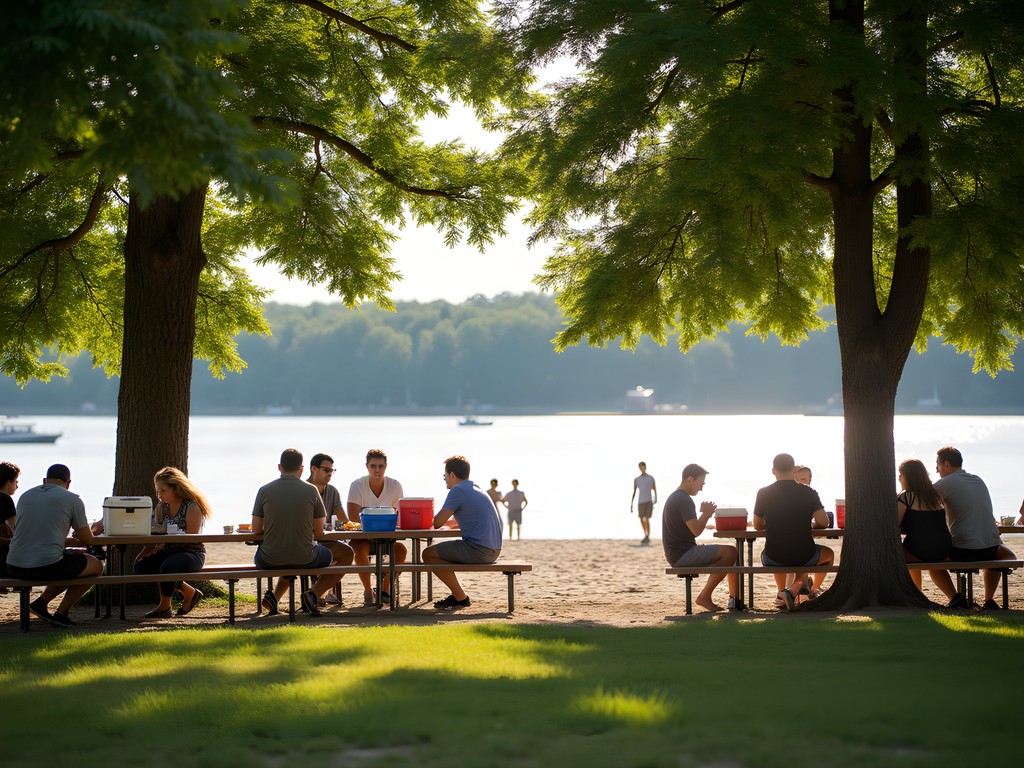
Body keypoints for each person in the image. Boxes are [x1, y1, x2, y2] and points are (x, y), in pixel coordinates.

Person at [252, 448, 354, 617]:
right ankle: (313, 595)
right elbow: (319, 532)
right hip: (305, 556)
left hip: (268, 558)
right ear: (302, 468)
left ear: (279, 467)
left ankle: (275, 598)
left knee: (288, 551)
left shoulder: (264, 490)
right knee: (346, 553)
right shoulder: (311, 490)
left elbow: (256, 530)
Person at [5, 464, 104, 627]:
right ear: (68, 483)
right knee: (96, 566)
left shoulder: (25, 496)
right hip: (45, 566)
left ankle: (41, 604)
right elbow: (87, 539)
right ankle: (60, 613)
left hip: (14, 565)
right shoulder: (72, 499)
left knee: (68, 561)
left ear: (45, 480)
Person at [933, 446, 1017, 610]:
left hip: (964, 551)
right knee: (1002, 554)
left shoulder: (944, 484)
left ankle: (955, 598)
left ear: (946, 464)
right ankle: (989, 599)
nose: (936, 469)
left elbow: (921, 502)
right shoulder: (978, 480)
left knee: (931, 560)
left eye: (937, 464)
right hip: (990, 550)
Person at [752, 453, 834, 610]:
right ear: (794, 470)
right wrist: (809, 524)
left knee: (779, 553)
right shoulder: (809, 492)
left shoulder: (763, 493)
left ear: (773, 471)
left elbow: (757, 525)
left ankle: (782, 593)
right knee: (828, 555)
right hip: (805, 555)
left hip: (773, 556)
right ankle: (803, 590)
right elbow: (824, 522)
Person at [422, 455, 502, 610]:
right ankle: (458, 596)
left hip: (479, 550)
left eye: (445, 475)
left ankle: (460, 597)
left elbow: (436, 523)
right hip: (494, 550)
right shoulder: (476, 488)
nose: (444, 479)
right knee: (440, 552)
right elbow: (461, 519)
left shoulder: (457, 490)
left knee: (428, 554)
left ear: (452, 475)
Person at [132, 467, 212, 618]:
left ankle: (164, 607)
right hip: (168, 551)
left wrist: (165, 543)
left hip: (191, 552)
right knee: (141, 567)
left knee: (168, 567)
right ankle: (190, 592)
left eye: (163, 490)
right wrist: (147, 551)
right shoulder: (161, 508)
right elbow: (157, 533)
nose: (159, 495)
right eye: (157, 491)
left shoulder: (192, 507)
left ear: (176, 489)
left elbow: (192, 538)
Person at [662, 463, 740, 612]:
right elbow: (696, 531)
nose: (701, 488)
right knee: (730, 552)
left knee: (730, 554)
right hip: (682, 554)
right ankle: (705, 596)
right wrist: (706, 514)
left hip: (678, 553)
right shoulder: (683, 499)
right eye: (701, 483)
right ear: (690, 479)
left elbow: (690, 527)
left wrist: (703, 514)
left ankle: (733, 598)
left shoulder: (676, 497)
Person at [346, 448, 407, 606]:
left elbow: (399, 517)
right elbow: (353, 518)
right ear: (367, 466)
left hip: (387, 537)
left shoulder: (395, 485)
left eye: (380, 466)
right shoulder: (357, 485)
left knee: (401, 550)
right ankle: (368, 590)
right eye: (373, 466)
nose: (377, 470)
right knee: (359, 550)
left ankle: (383, 589)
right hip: (363, 537)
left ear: (386, 466)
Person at [896, 458, 954, 596]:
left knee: (897, 552)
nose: (899, 478)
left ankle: (917, 594)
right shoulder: (936, 496)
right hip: (943, 550)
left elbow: (894, 525)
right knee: (924, 554)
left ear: (909, 476)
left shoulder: (906, 497)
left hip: (919, 551)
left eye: (901, 475)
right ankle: (953, 596)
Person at [307, 453, 345, 605]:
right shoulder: (303, 490)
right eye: (326, 470)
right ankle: (320, 593)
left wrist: (348, 527)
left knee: (345, 550)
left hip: (326, 539)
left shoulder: (332, 491)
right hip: (307, 540)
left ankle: (319, 592)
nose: (330, 474)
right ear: (314, 469)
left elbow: (342, 520)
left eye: (332, 470)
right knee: (342, 553)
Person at [0, 461, 20, 579]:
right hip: (4, 560)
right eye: (16, 482)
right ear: (8, 483)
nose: (17, 486)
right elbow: (16, 531)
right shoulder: (5, 498)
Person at [631, 461, 657, 545]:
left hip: (649, 501)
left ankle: (647, 536)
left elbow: (654, 489)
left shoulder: (651, 478)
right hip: (640, 501)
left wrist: (655, 498)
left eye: (644, 466)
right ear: (639, 468)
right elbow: (634, 492)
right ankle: (645, 535)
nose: (643, 468)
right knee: (641, 519)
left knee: (646, 518)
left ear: (645, 467)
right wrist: (631, 504)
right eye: (641, 467)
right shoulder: (637, 480)